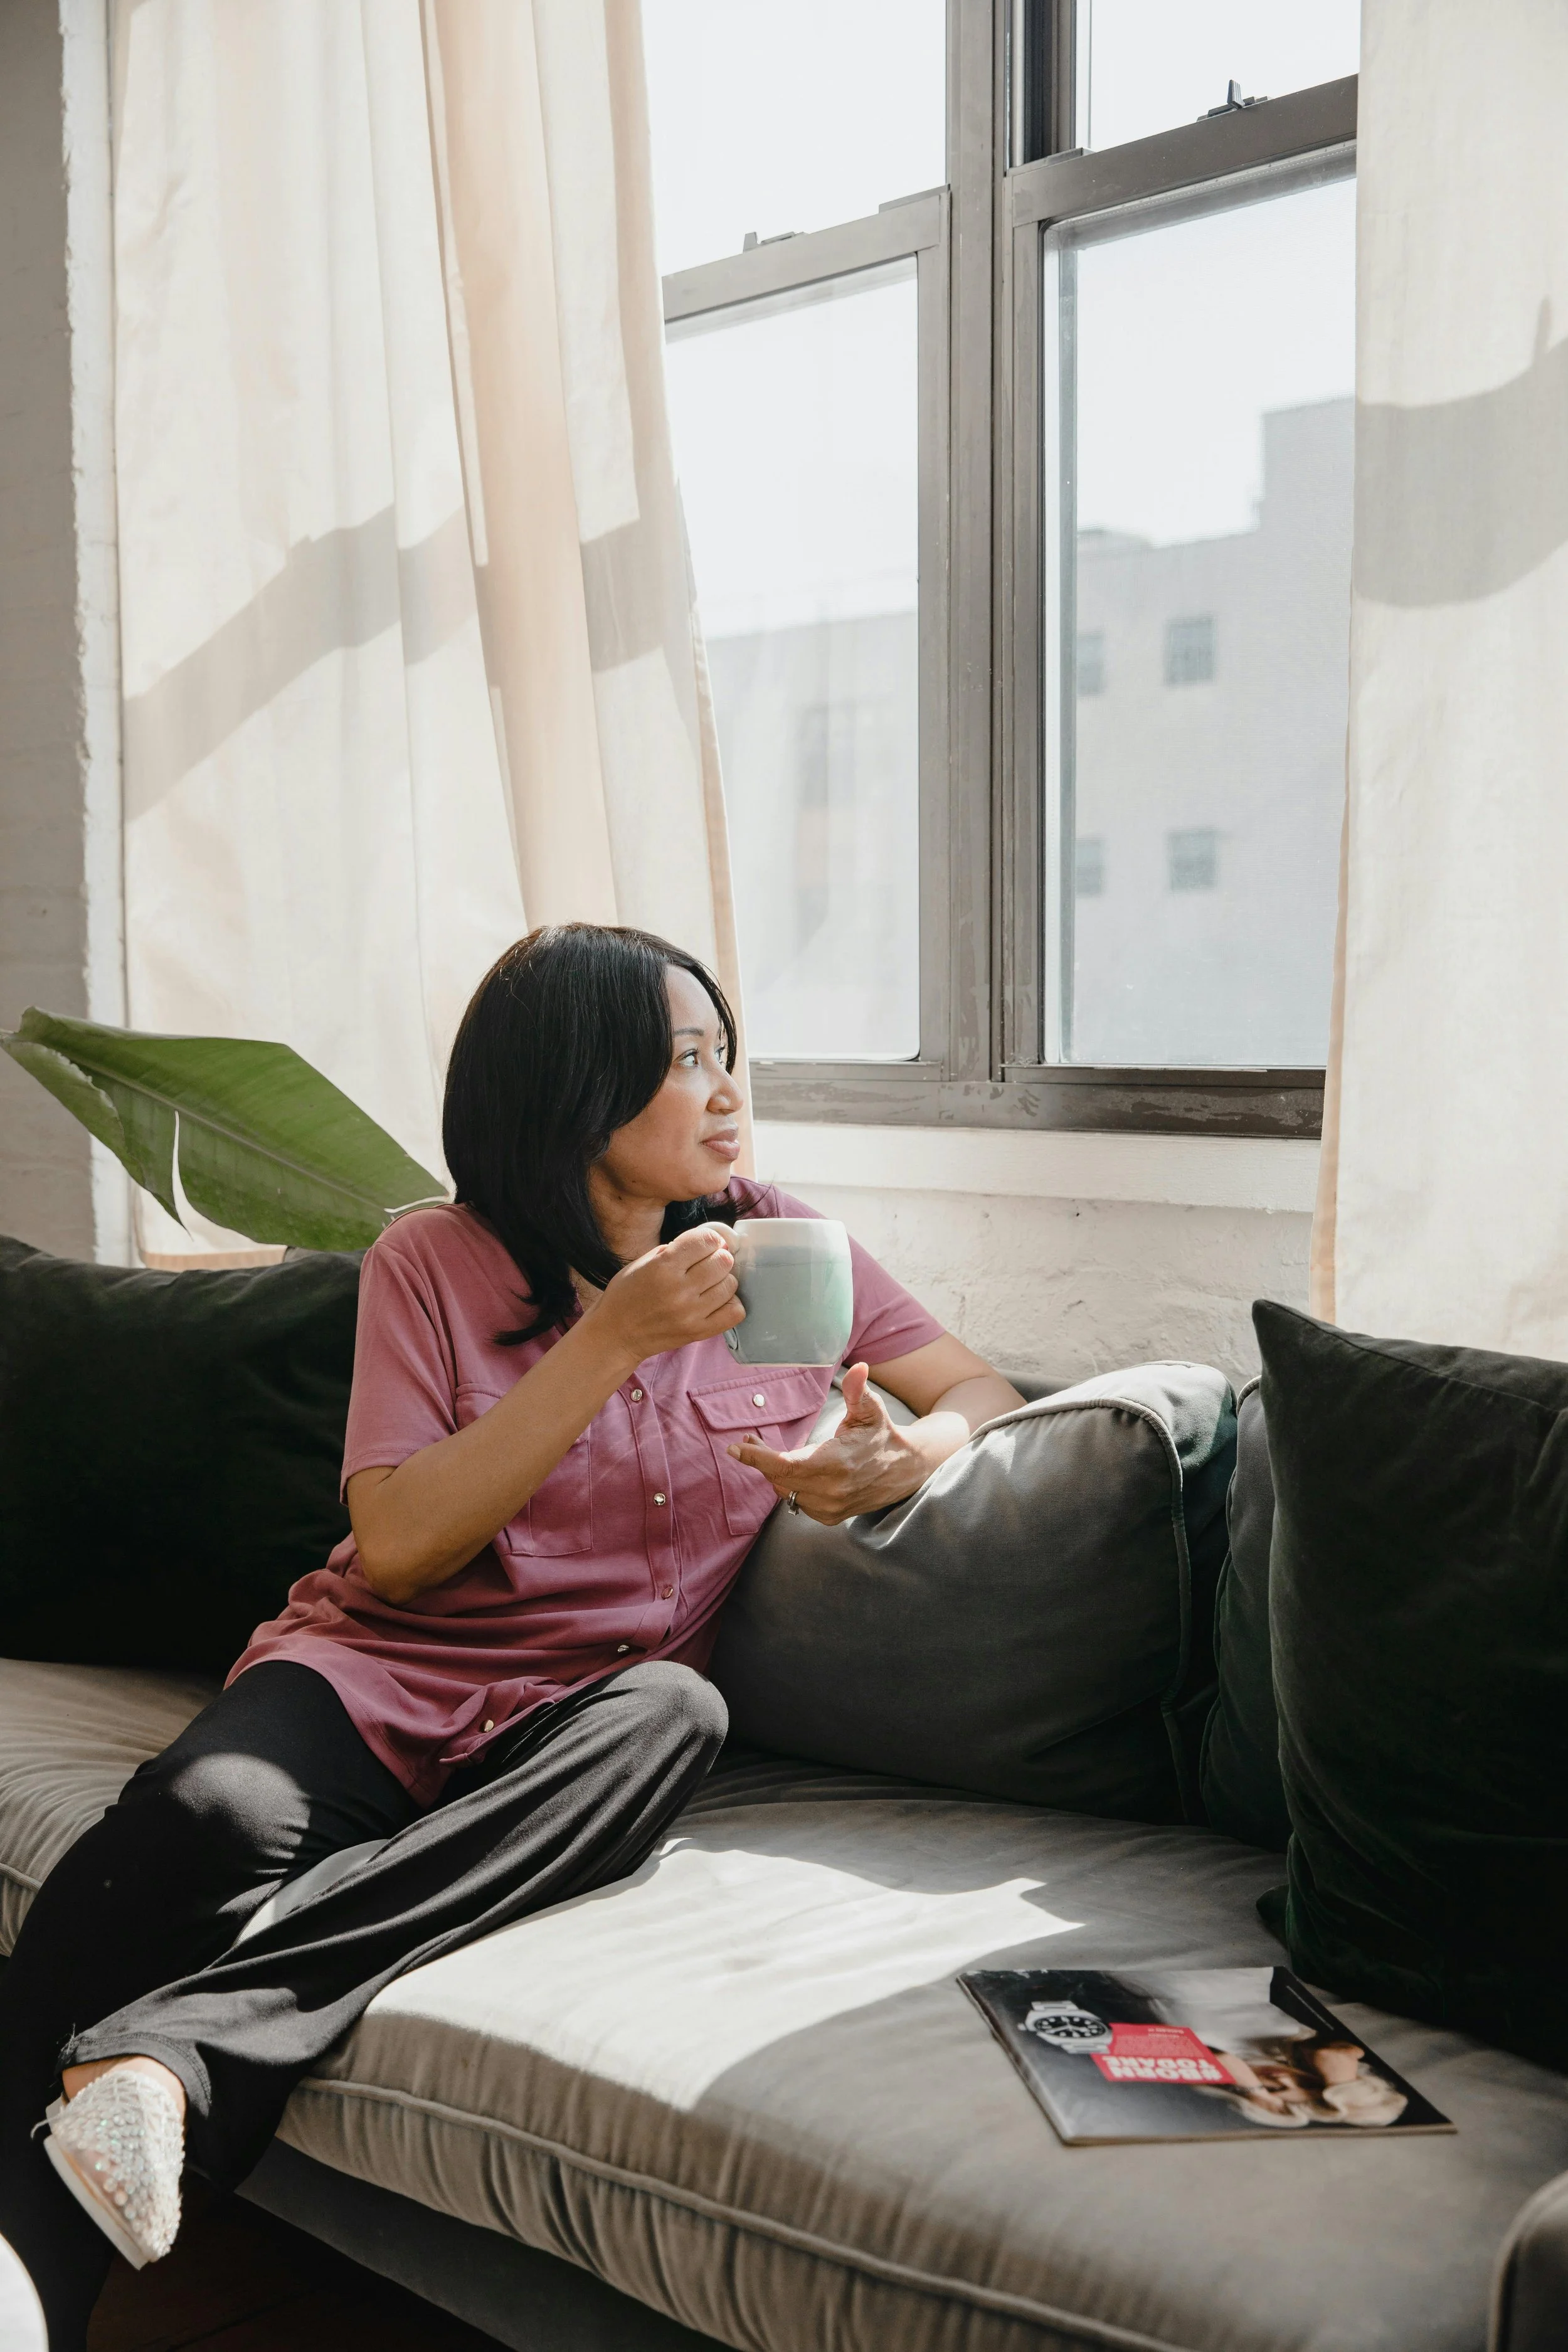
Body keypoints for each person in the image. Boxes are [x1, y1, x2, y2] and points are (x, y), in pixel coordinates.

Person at [0, 922, 1024, 2348]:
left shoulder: (786, 1249)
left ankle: (176, 2061)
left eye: (727, 1054)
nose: (726, 1091)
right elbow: (406, 1546)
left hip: (580, 1721)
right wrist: (609, 1344)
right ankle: (27, 2281)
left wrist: (910, 1457)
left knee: (679, 1712)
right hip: (374, 1673)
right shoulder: (429, 1263)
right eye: (681, 1062)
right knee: (201, 1817)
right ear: (568, 1089)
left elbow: (976, 1384)